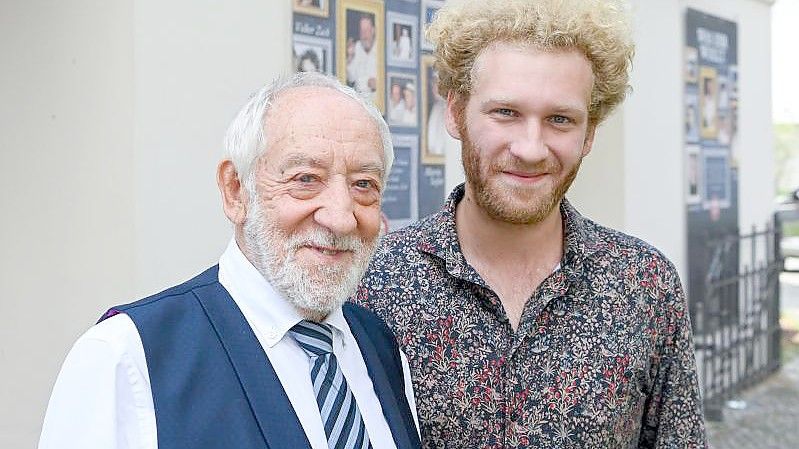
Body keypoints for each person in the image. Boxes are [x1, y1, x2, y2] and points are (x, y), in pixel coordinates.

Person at [353, 1, 707, 448]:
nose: (531, 148)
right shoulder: (374, 279)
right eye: (506, 112)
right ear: (456, 112)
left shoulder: (644, 284)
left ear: (590, 132)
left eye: (560, 119)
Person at [39, 72, 421, 449]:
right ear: (236, 191)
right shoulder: (126, 359)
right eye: (306, 179)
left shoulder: (381, 350)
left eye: (364, 185)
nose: (340, 216)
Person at [346, 14, 377, 100]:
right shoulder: (356, 47)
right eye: (362, 31)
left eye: (367, 30)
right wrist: (349, 57)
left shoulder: (381, 48)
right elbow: (351, 78)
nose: (364, 35)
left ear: (373, 30)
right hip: (360, 102)